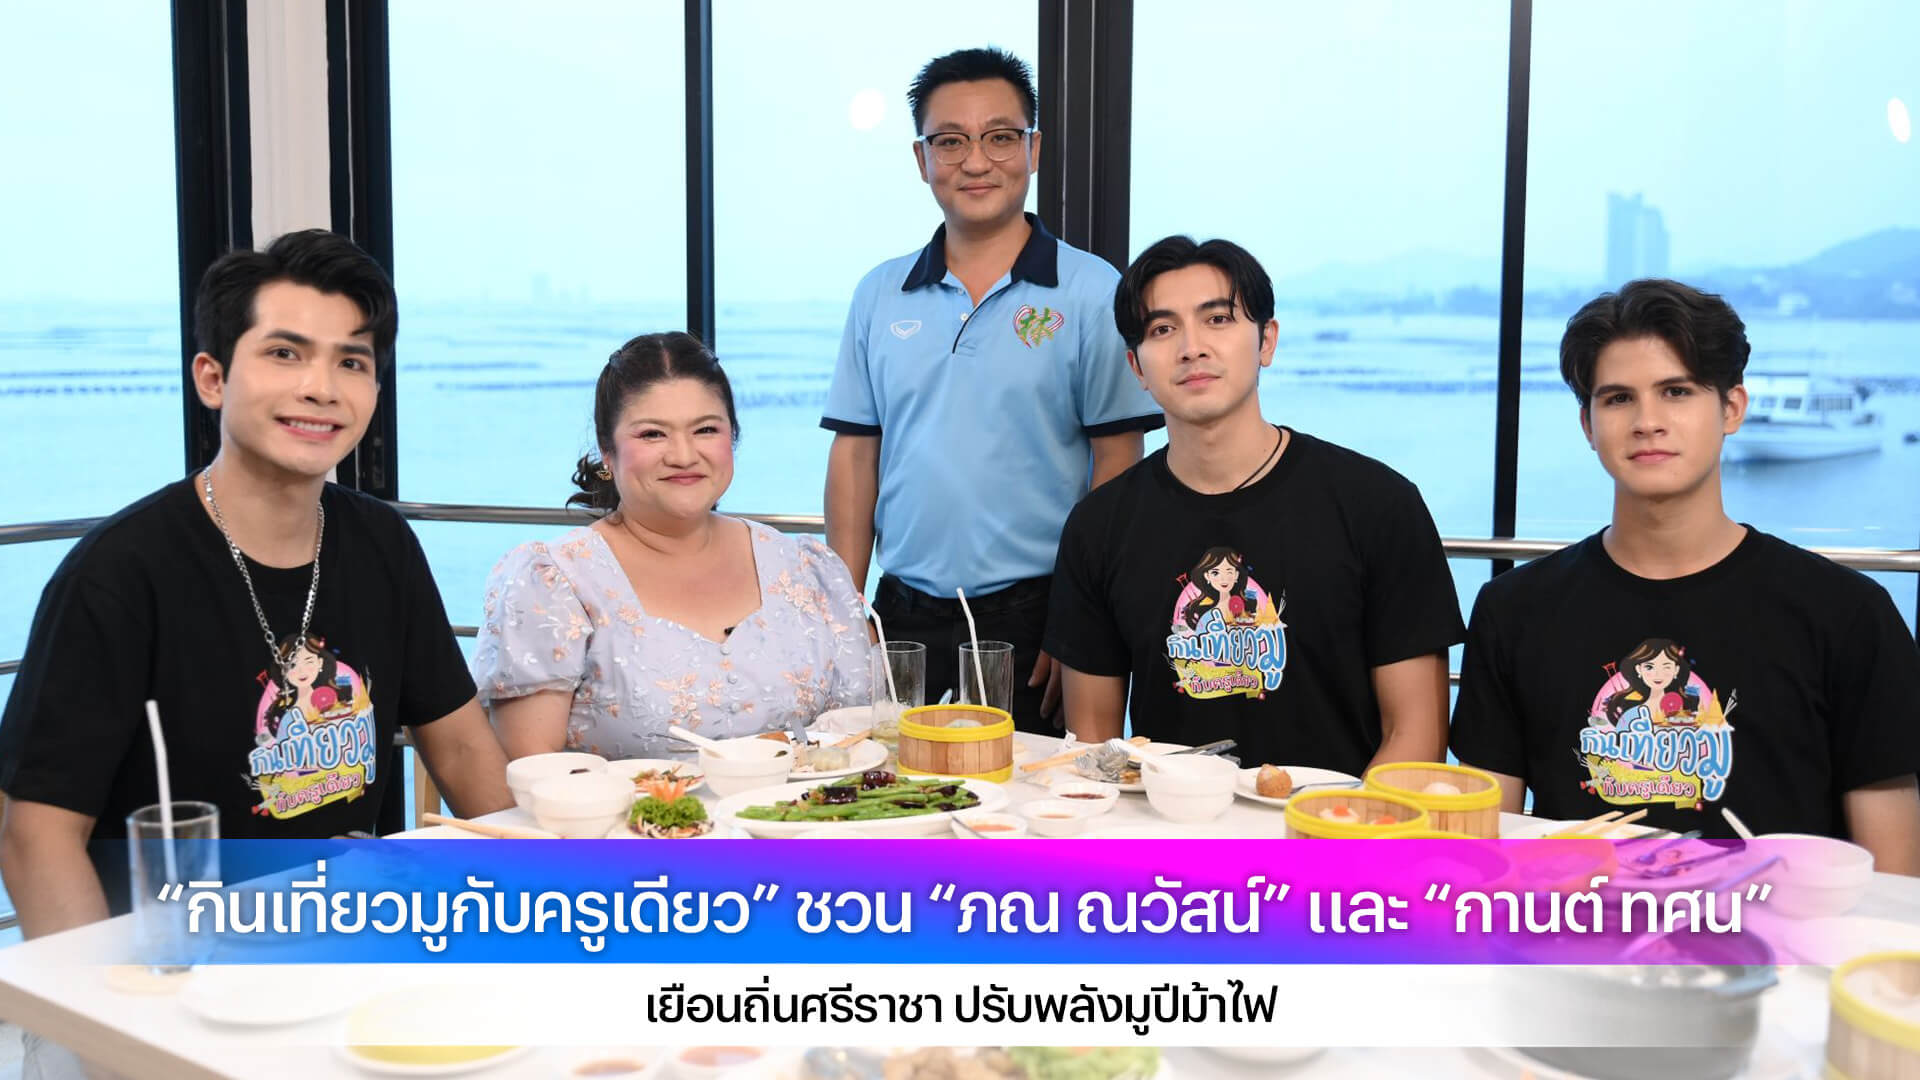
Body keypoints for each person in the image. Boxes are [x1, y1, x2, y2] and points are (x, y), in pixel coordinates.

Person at [1450, 278, 1920, 873]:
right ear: (1588, 424)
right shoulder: (1515, 609)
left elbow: (1894, 879)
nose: (1647, 421)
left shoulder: (1845, 613)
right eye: (1618, 399)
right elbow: (1484, 850)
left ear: (1732, 408)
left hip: (1780, 928)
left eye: (1676, 391)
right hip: (1572, 924)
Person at [821, 47, 1161, 733]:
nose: (975, 161)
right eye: (950, 141)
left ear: (1033, 149)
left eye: (1000, 137)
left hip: (1037, 620)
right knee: (892, 789)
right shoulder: (880, 293)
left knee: (1033, 795)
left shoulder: (1092, 291)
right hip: (901, 615)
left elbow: (1117, 466)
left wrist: (1081, 617)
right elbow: (856, 457)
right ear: (922, 159)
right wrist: (844, 613)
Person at [1044, 236, 1463, 776]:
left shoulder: (1378, 505)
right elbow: (1094, 749)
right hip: (1167, 822)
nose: (1191, 347)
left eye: (1217, 319)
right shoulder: (1099, 526)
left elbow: (1416, 736)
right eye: (1163, 329)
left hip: (1338, 821)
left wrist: (1344, 824)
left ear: (1267, 341)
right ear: (1137, 368)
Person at [473, 332, 873, 760]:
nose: (683, 455)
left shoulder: (805, 569)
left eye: (705, 429)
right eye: (652, 434)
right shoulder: (553, 584)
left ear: (732, 438)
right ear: (607, 451)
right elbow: (530, 772)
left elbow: (862, 735)